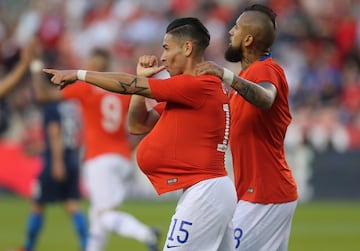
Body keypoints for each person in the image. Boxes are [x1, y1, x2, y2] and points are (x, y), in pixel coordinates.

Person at [43, 17, 237, 251]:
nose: (162, 57)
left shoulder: (196, 85)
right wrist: (142, 80)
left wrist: (79, 74)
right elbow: (138, 125)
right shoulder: (192, 90)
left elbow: (131, 84)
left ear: (187, 48)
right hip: (208, 189)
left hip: (206, 191)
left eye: (167, 48)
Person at [33, 48, 160, 251]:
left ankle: (145, 233)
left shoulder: (86, 88)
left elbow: (43, 96)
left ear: (92, 67)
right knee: (97, 214)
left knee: (104, 214)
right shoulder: (121, 90)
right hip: (122, 157)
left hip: (99, 158)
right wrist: (130, 146)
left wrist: (33, 67)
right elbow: (147, 118)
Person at [195, 4, 298, 251]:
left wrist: (225, 75)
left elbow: (266, 98)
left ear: (249, 38)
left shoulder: (265, 69)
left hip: (264, 193)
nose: (231, 32)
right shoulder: (246, 79)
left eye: (237, 28)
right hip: (260, 192)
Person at [16, 69, 88, 251]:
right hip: (71, 159)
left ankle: (28, 246)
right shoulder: (71, 106)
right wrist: (41, 148)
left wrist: (56, 163)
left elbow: (55, 133)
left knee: (38, 203)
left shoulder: (51, 106)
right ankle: (88, 246)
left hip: (56, 163)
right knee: (72, 203)